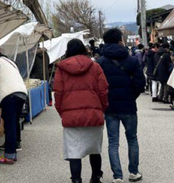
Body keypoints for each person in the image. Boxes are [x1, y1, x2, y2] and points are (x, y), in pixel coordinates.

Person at [54, 39, 109, 183]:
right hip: (93, 113)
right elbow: (103, 91)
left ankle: (76, 180)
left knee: (74, 151)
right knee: (95, 149)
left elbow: (58, 93)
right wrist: (101, 108)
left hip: (71, 116)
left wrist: (62, 112)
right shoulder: (95, 67)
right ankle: (96, 177)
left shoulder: (61, 69)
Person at [96, 28, 145, 183]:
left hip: (110, 108)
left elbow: (97, 86)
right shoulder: (131, 60)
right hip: (129, 106)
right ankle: (133, 172)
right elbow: (140, 83)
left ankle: (117, 176)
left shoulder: (100, 62)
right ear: (119, 41)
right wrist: (131, 96)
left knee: (113, 142)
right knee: (132, 139)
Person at [0, 47, 28, 164]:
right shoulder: (10, 62)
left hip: (9, 95)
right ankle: (14, 148)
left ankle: (9, 155)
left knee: (9, 124)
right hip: (21, 93)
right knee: (14, 122)